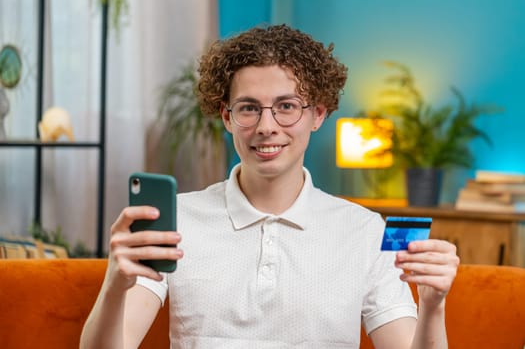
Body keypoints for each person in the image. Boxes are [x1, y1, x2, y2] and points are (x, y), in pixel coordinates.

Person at [80, 24, 459, 349]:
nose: (266, 126)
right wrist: (116, 282)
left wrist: (434, 305)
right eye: (248, 108)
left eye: (287, 106)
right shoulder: (176, 222)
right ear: (227, 117)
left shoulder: (366, 230)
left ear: (318, 114)